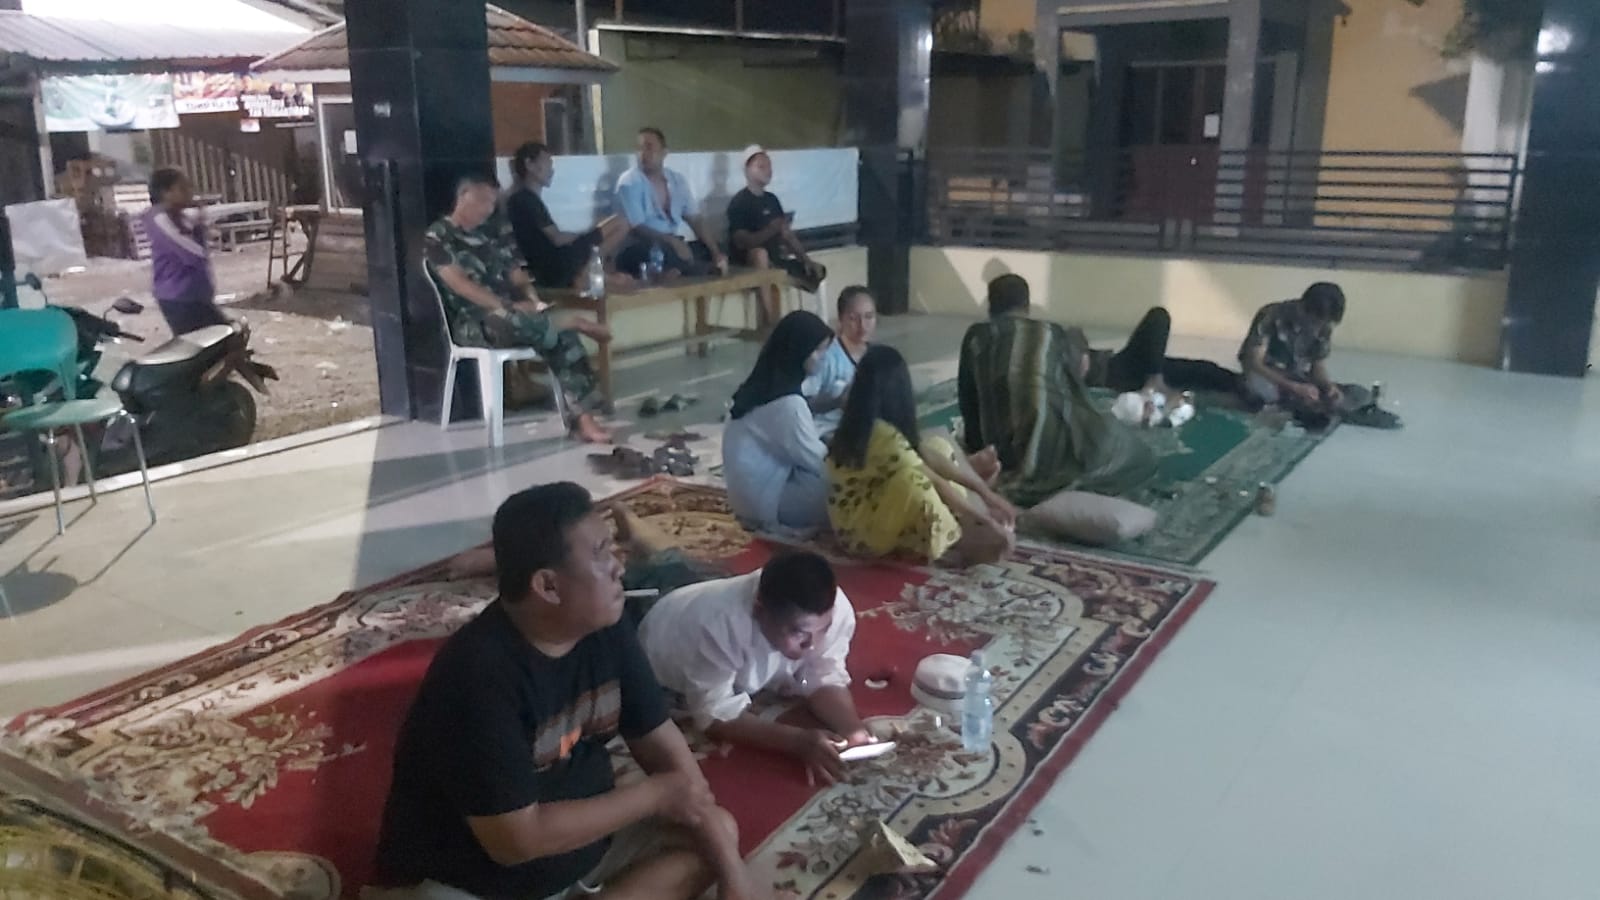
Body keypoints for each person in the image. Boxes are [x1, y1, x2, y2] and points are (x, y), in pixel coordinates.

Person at [371, 484, 759, 900]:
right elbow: (515, 842)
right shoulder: (476, 677)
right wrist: (656, 794)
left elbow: (660, 740)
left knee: (716, 836)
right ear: (549, 586)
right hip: (477, 878)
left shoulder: (605, 625)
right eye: (601, 553)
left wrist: (735, 880)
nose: (618, 566)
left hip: (583, 842)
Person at [638, 550, 872, 786]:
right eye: (799, 633)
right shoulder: (718, 626)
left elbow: (823, 674)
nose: (811, 645)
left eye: (823, 629)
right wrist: (797, 741)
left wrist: (853, 730)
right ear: (760, 611)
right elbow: (714, 714)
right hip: (659, 635)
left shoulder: (836, 607)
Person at [425, 173, 614, 443]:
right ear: (463, 196)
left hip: (517, 314)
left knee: (563, 336)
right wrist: (508, 306)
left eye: (493, 203)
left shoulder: (492, 232)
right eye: (483, 201)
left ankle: (584, 421)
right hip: (474, 321)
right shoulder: (439, 236)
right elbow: (461, 285)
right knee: (513, 320)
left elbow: (517, 274)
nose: (488, 209)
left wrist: (533, 301)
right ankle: (572, 321)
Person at [958, 274, 1156, 508]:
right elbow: (1074, 388)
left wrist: (974, 453)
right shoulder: (1051, 331)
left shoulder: (977, 336)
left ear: (991, 307)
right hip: (1061, 438)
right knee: (1138, 456)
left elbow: (969, 403)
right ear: (1027, 306)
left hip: (1008, 449)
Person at [828, 345, 1016, 567]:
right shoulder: (882, 434)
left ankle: (957, 520)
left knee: (938, 446)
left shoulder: (872, 422)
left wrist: (985, 494)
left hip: (874, 509)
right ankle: (958, 540)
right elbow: (933, 480)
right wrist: (984, 520)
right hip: (857, 533)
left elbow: (928, 456)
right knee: (913, 482)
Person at [722, 311, 834, 535]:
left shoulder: (762, 385)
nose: (823, 357)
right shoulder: (788, 404)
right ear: (798, 350)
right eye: (817, 351)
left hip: (744, 494)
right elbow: (817, 461)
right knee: (840, 490)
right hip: (763, 501)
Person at [1239, 282, 1399, 428]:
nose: (1318, 327)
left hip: (1294, 376)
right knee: (1265, 393)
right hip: (1264, 375)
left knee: (1357, 393)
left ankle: (1313, 408)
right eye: (1316, 321)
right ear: (1303, 308)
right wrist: (1293, 387)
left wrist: (1328, 387)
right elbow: (1254, 362)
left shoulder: (1324, 325)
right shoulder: (1270, 315)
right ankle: (1311, 409)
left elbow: (1318, 366)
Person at [505, 142, 631, 292]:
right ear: (529, 164)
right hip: (555, 264)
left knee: (613, 227)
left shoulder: (522, 198)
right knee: (620, 223)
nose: (551, 170)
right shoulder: (524, 199)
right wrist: (587, 234)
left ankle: (591, 270)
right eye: (547, 163)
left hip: (550, 264)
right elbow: (557, 238)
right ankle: (587, 272)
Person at [726, 145, 828, 325]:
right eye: (761, 166)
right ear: (747, 171)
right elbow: (743, 242)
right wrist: (771, 229)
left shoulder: (772, 200)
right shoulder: (739, 202)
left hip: (775, 258)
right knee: (760, 254)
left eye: (769, 166)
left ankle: (814, 322)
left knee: (814, 270)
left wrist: (806, 260)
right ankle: (770, 321)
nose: (768, 171)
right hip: (748, 261)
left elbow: (787, 235)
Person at [613, 127, 727, 279]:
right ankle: (696, 269)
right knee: (664, 253)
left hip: (672, 243)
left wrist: (715, 252)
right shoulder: (628, 182)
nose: (643, 154)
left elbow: (694, 219)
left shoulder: (677, 180)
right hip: (641, 246)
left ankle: (686, 269)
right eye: (639, 149)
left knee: (710, 246)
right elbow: (637, 228)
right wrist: (671, 241)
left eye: (649, 147)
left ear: (664, 153)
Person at [1068, 307, 1242, 398]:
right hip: (1114, 384)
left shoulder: (1062, 343)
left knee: (1202, 371)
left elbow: (1074, 332)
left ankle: (1243, 387)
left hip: (1119, 368)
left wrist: (1154, 377)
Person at [145, 167, 228, 336]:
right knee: (211, 341)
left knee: (222, 338)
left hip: (193, 295)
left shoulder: (177, 216)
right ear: (166, 193)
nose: (190, 192)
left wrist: (199, 224)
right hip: (179, 297)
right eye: (182, 188)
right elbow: (190, 252)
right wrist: (201, 235)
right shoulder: (160, 218)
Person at [801, 285, 875, 432]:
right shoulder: (826, 357)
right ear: (841, 319)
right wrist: (838, 401)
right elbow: (803, 403)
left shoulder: (876, 356)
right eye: (853, 318)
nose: (862, 325)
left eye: (868, 317)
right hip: (827, 431)